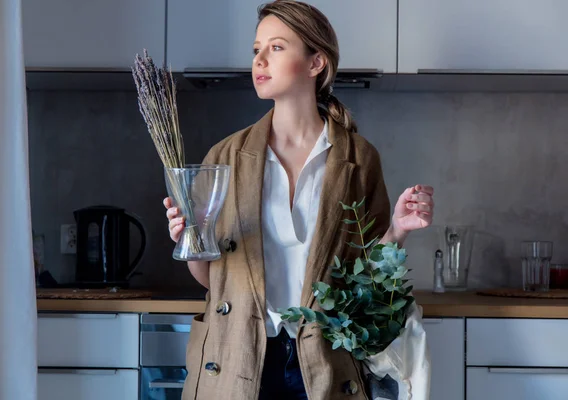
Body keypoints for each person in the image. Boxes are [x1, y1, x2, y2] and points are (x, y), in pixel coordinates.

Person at [163, 1, 434, 399]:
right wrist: (189, 244)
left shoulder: (358, 158)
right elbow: (215, 282)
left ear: (315, 63)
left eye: (275, 48)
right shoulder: (224, 158)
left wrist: (398, 229)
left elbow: (371, 286)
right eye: (256, 50)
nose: (259, 60)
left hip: (325, 362)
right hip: (239, 355)